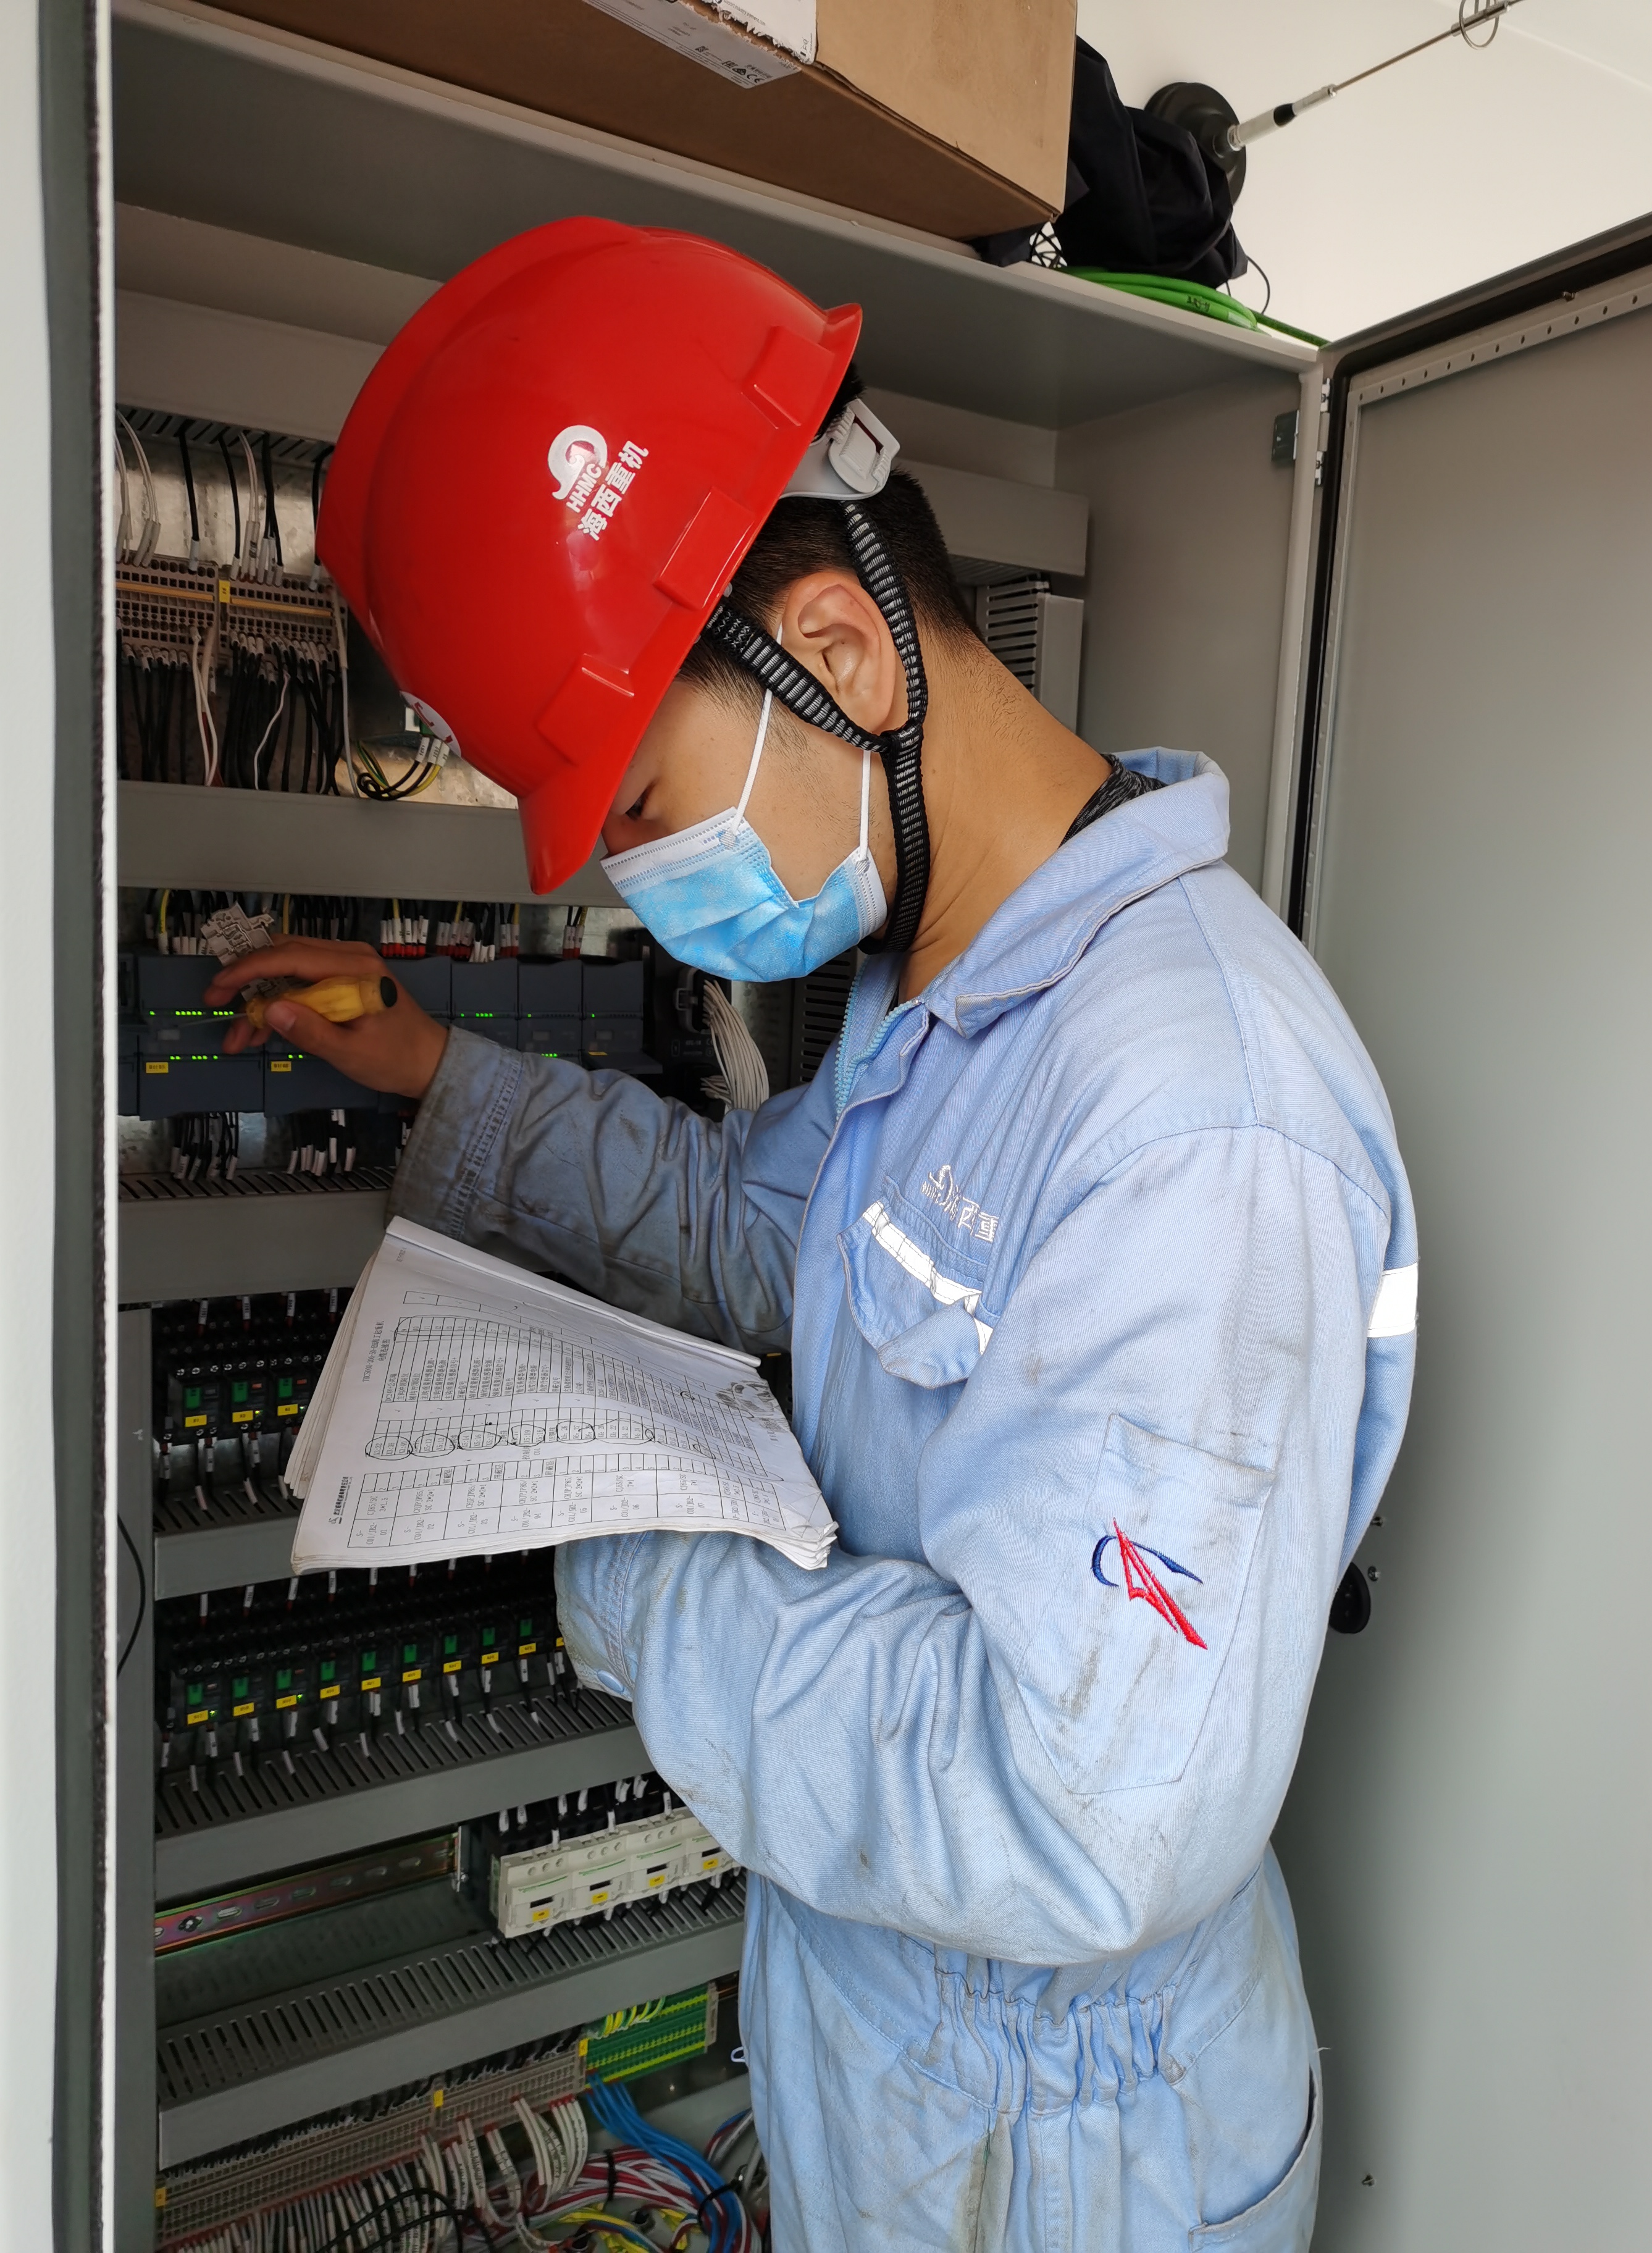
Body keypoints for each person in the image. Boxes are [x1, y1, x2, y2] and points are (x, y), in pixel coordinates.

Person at [208, 220, 1416, 2251]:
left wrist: (631, 1560)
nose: (637, 886)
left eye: (642, 808)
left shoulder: (1194, 1124)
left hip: (1071, 2149)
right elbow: (765, 1238)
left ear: (837, 658)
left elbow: (1079, 1812)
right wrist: (431, 1068)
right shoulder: (941, 996)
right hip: (912, 2052)